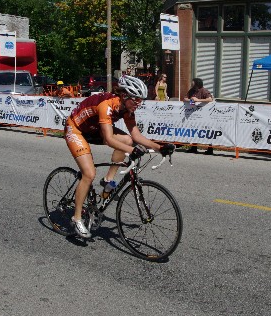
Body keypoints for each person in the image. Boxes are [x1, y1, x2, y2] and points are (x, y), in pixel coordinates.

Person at [64, 75, 175, 238]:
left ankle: (108, 180)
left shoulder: (127, 110)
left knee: (127, 140)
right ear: (125, 96)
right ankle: (77, 218)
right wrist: (132, 151)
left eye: (141, 100)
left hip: (94, 129)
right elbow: (109, 139)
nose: (139, 104)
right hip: (76, 129)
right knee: (88, 174)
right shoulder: (106, 105)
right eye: (136, 100)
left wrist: (160, 148)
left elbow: (136, 136)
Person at [183, 78, 214, 155]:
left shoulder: (203, 90)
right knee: (194, 129)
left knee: (206, 131)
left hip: (204, 115)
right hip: (194, 114)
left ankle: (210, 149)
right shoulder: (191, 91)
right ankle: (194, 147)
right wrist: (191, 100)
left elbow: (210, 99)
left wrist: (198, 100)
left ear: (197, 83)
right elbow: (185, 98)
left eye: (193, 82)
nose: (191, 83)